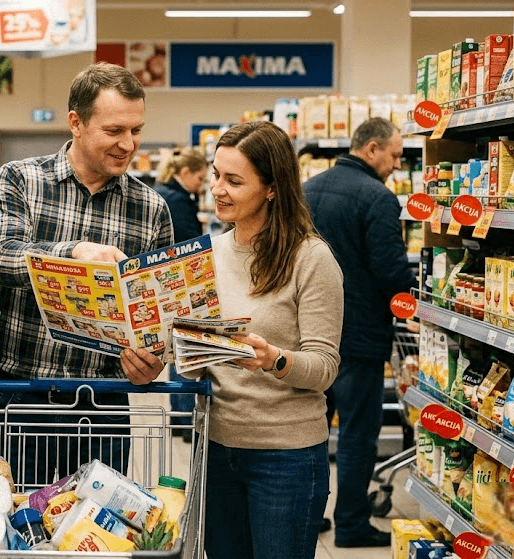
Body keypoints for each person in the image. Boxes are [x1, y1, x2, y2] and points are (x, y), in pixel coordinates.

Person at [0, 62, 174, 486]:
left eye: (136, 130)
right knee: (17, 530)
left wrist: (152, 359)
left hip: (104, 403)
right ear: (76, 123)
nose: (129, 144)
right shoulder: (20, 180)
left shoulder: (151, 208)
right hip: (22, 393)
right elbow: (2, 256)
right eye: (114, 131)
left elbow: (155, 312)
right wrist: (73, 254)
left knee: (95, 533)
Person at [184, 121, 343, 558]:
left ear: (272, 188)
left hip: (286, 458)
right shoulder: (208, 254)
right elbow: (196, 358)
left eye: (234, 181)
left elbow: (325, 367)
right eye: (216, 174)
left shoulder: (311, 257)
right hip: (216, 448)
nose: (218, 188)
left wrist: (274, 358)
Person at [302, 117, 415, 548]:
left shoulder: (309, 190)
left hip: (313, 333)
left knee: (311, 429)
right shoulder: (378, 199)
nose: (396, 164)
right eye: (394, 155)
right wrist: (411, 291)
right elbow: (390, 271)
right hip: (360, 336)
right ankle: (351, 522)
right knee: (355, 433)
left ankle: (310, 516)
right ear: (371, 149)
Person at [153, 146, 208, 440]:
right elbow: (190, 243)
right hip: (181, 285)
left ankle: (178, 418)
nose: (201, 186)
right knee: (185, 352)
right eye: (199, 178)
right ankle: (187, 421)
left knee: (177, 352)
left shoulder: (166, 193)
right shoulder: (178, 200)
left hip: (166, 285)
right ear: (185, 173)